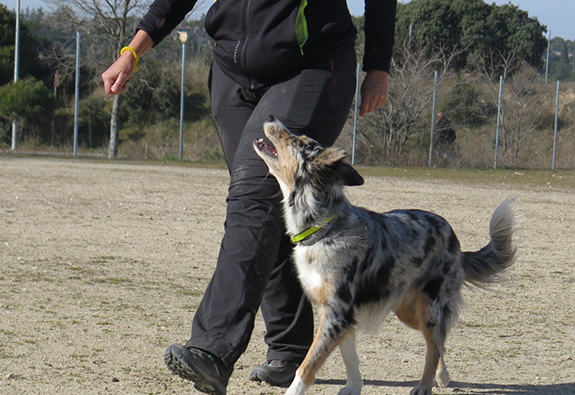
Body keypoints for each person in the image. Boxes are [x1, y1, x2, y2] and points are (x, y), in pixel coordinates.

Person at [101, 1, 396, 394]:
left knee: (252, 201)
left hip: (311, 64)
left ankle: (212, 349)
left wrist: (378, 66)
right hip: (232, 71)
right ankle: (291, 352)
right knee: (267, 206)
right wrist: (133, 50)